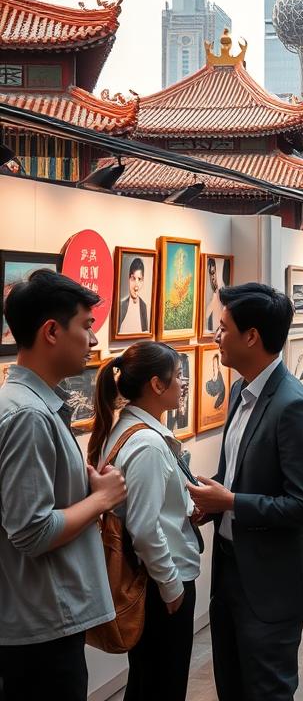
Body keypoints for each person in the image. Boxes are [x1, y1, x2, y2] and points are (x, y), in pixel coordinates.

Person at [187, 283, 303, 701]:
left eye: (223, 327)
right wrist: (213, 503)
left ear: (251, 336)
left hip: (272, 583)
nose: (216, 336)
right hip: (231, 570)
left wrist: (230, 503)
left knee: (267, 690)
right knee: (231, 684)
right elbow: (239, 474)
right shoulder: (239, 391)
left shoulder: (292, 406)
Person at [0, 270, 126, 701]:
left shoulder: (26, 405)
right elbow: (31, 531)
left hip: (38, 623)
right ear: (52, 331)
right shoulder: (28, 416)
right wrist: (101, 499)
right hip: (40, 632)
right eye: (86, 326)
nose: (94, 340)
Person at [89, 341, 203, 701]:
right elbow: (143, 527)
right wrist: (171, 587)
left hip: (150, 579)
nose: (183, 383)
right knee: (163, 685)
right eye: (179, 376)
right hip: (160, 584)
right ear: (157, 385)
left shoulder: (125, 428)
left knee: (148, 679)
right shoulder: (149, 444)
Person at [118, 256, 150, 335]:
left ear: (143, 281)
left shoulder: (143, 306)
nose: (136, 285)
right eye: (133, 278)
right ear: (128, 279)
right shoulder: (121, 306)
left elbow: (145, 333)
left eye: (139, 279)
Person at [204, 256, 226, 335]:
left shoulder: (223, 292)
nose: (212, 277)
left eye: (213, 273)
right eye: (210, 273)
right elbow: (206, 315)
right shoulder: (211, 294)